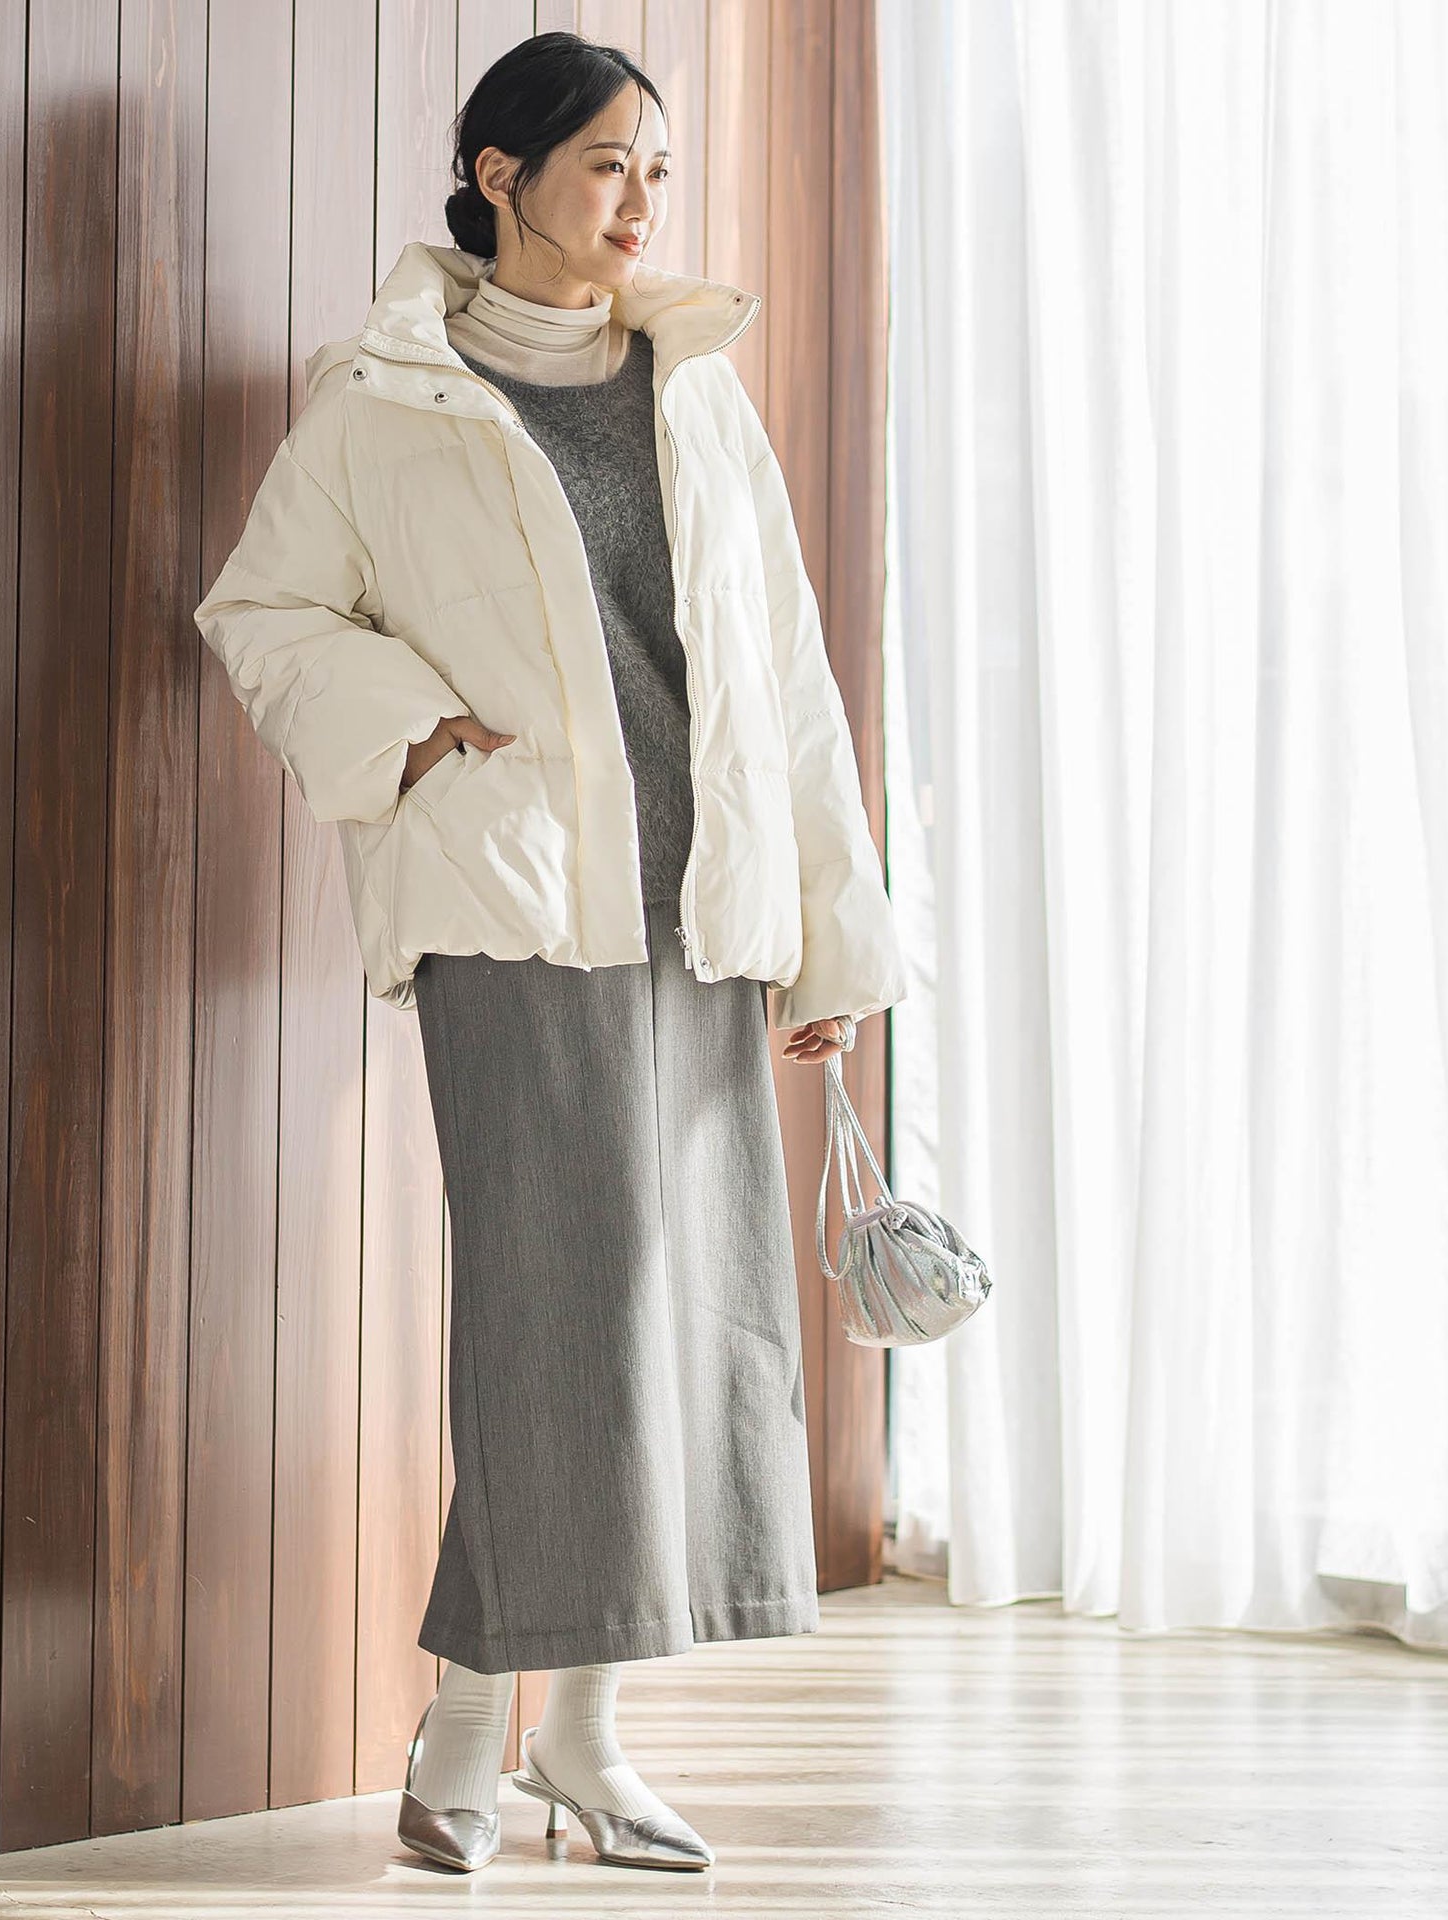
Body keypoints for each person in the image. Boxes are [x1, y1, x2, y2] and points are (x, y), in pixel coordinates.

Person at [194, 30, 910, 1877]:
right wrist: (419, 729)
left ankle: (580, 1738)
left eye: (656, 168)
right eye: (606, 164)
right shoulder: (386, 396)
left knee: (678, 1321)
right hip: (518, 904)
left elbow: (788, 681)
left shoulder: (698, 392)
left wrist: (833, 942)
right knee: (556, 1318)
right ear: (499, 177)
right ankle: (465, 1720)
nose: (642, 201)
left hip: (705, 906)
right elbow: (264, 607)